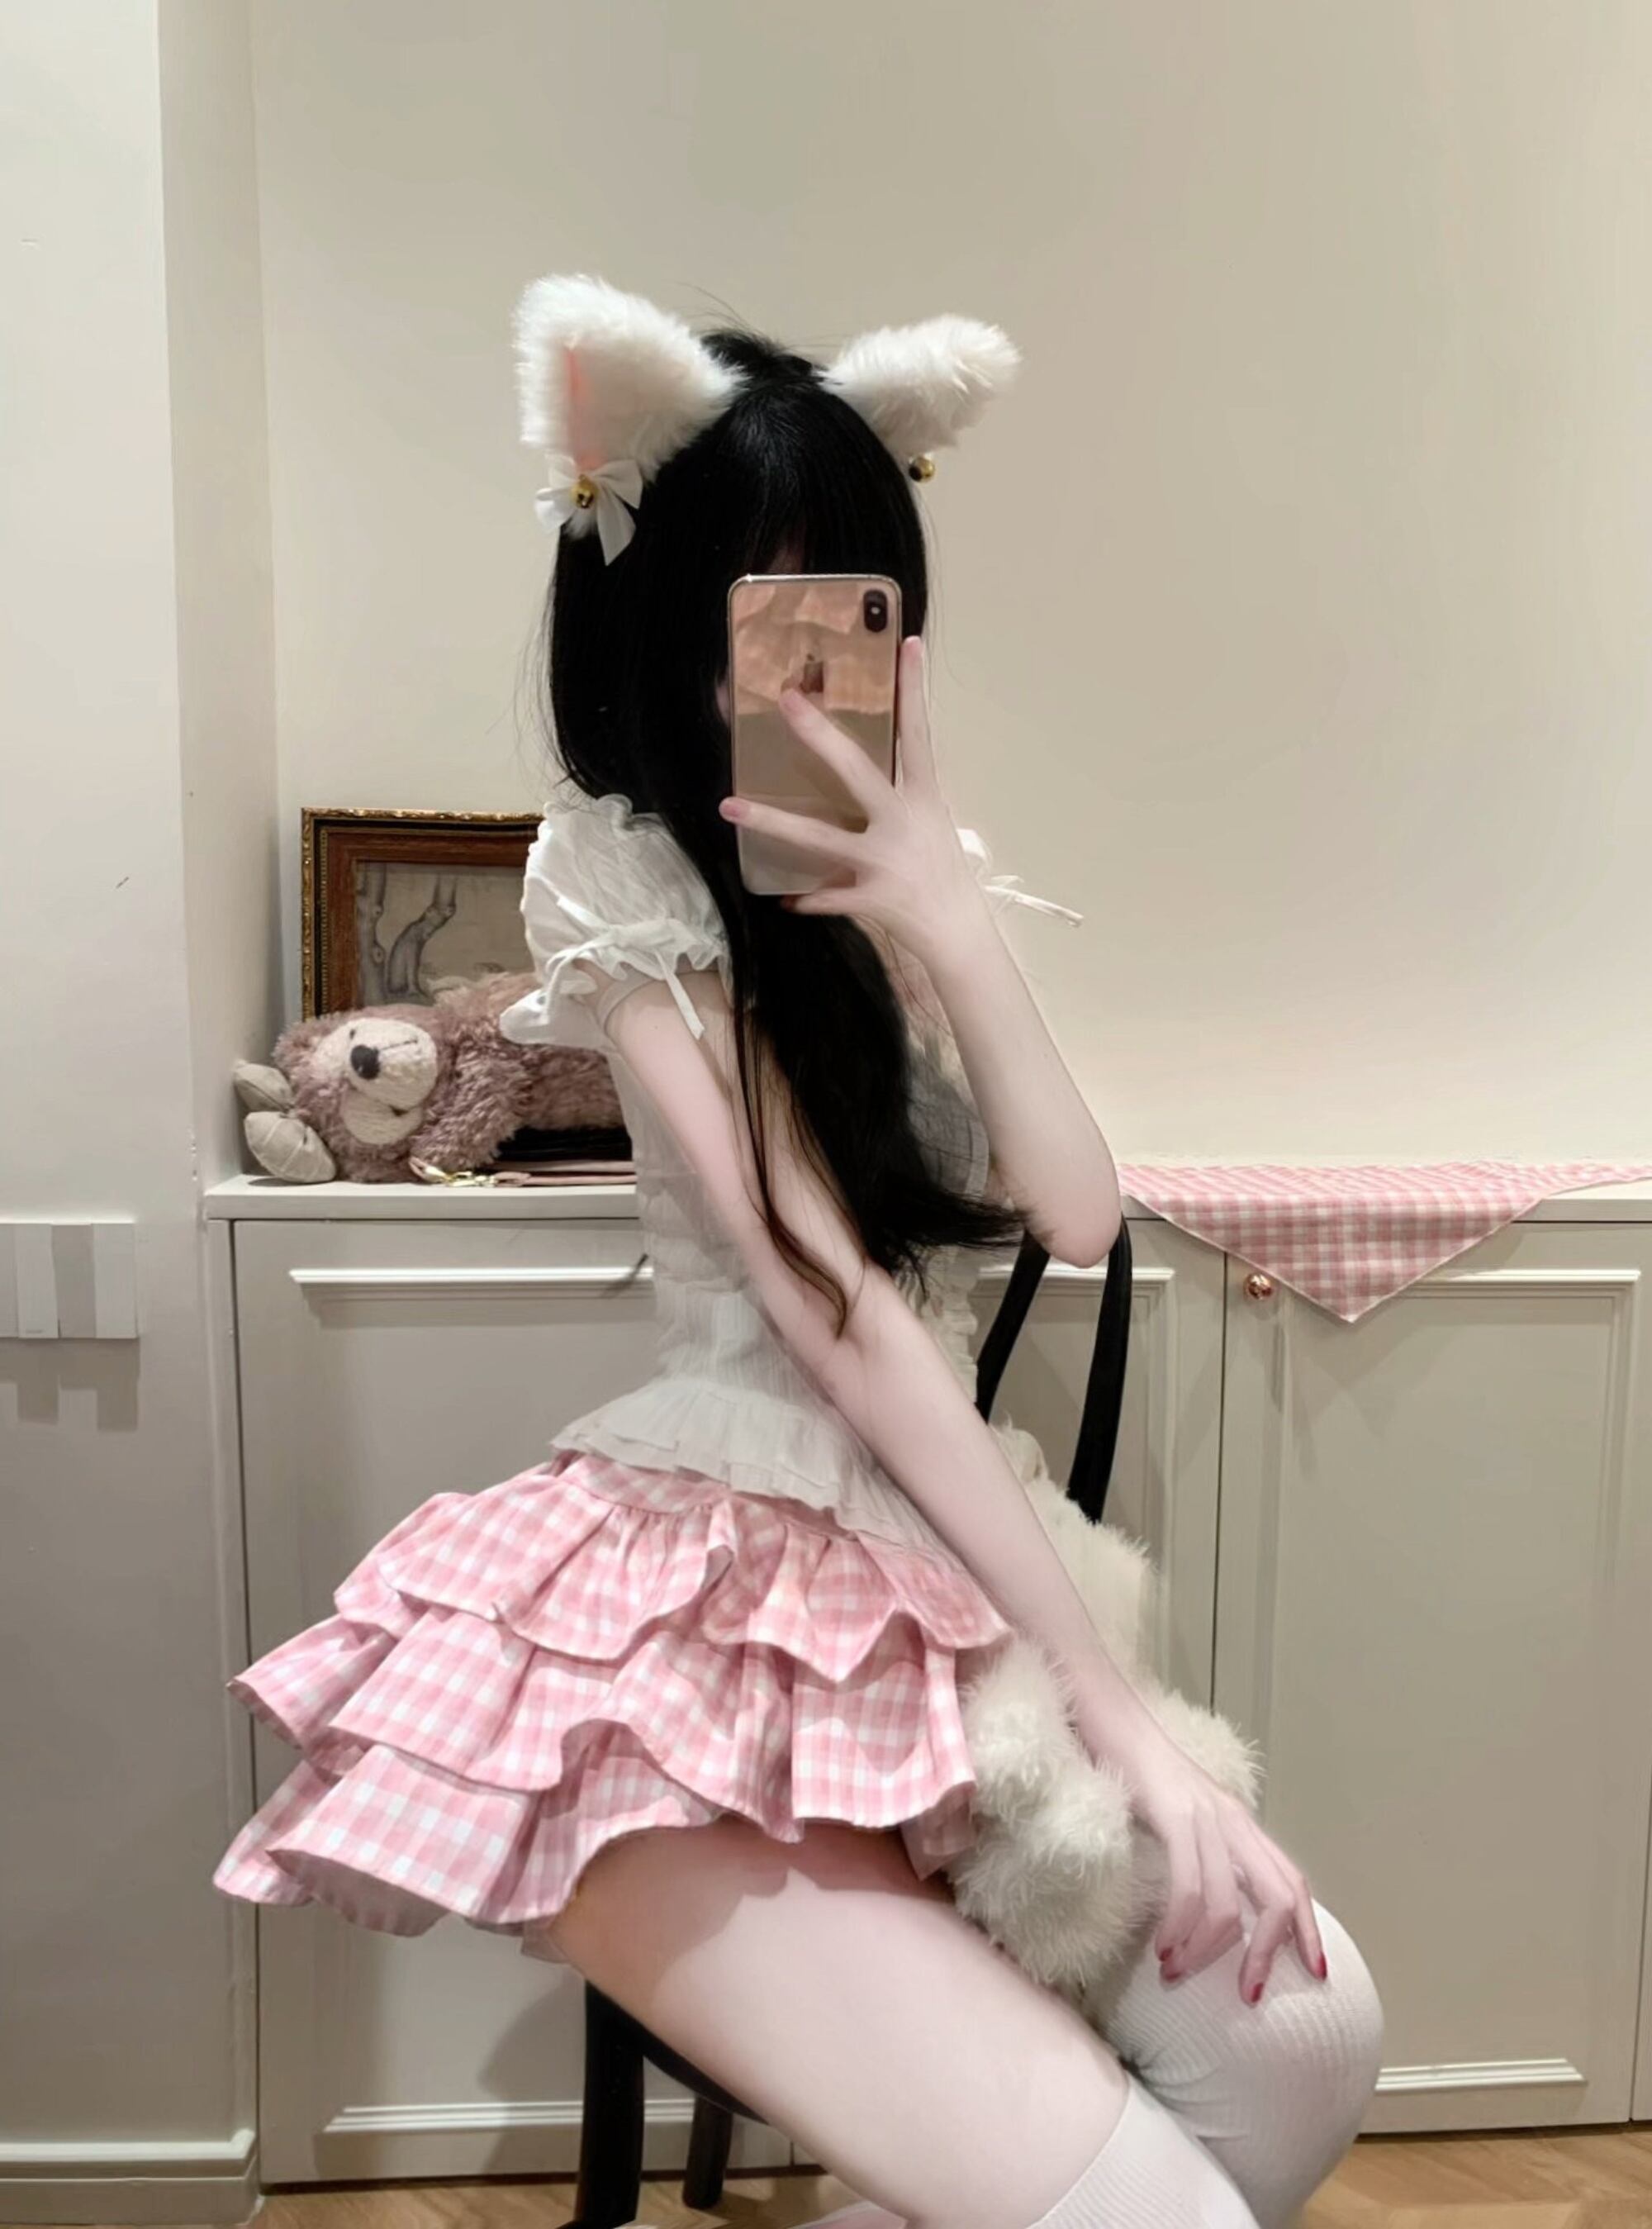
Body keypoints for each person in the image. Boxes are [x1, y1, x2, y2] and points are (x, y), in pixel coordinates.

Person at [214, 276, 1384, 2229]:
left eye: (860, 598)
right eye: (764, 602)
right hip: (698, 1579)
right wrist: (1126, 1728)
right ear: (658, 616)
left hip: (928, 1560)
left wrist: (947, 917)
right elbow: (835, 1310)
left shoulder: (895, 884)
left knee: (1307, 2052)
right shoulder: (613, 872)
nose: (817, 652)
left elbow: (1077, 1213)